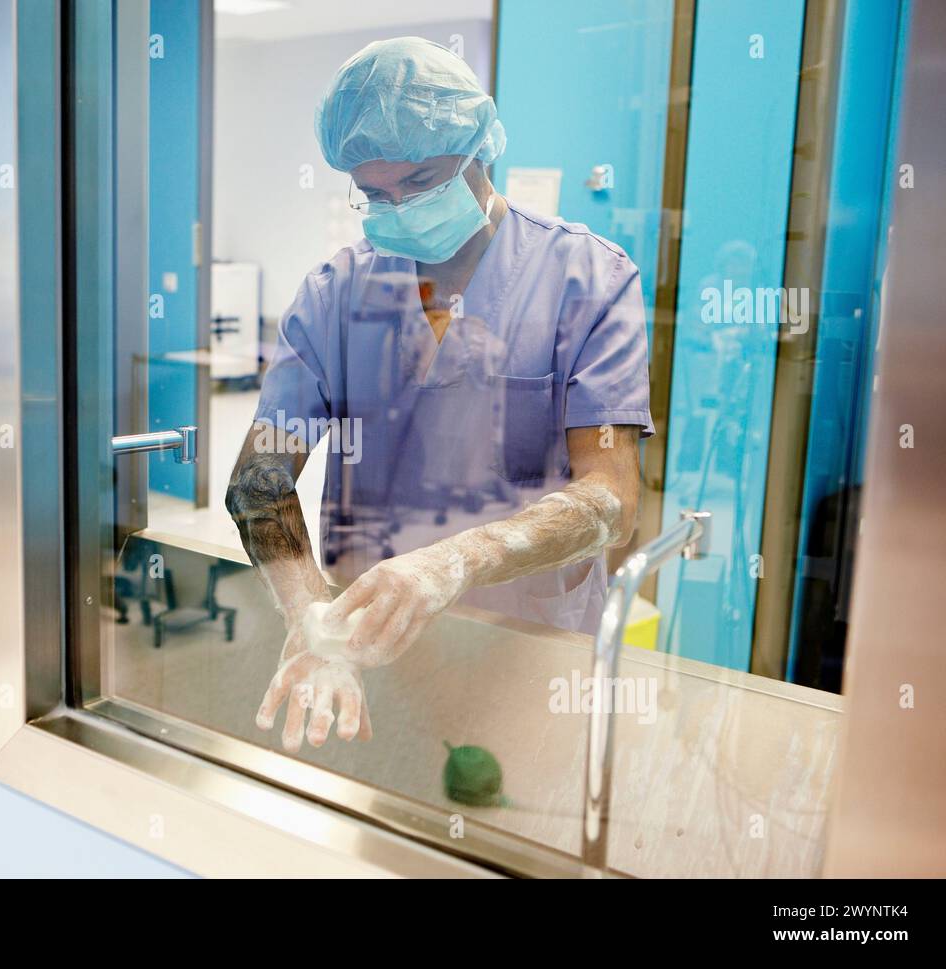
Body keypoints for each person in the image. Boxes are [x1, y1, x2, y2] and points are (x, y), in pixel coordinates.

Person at [225, 37, 652, 752]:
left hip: (531, 655)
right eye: (378, 194)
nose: (402, 209)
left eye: (422, 180)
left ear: (478, 151)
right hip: (372, 655)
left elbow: (611, 497)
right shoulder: (338, 295)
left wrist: (454, 561)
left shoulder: (590, 281)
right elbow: (258, 480)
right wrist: (311, 618)